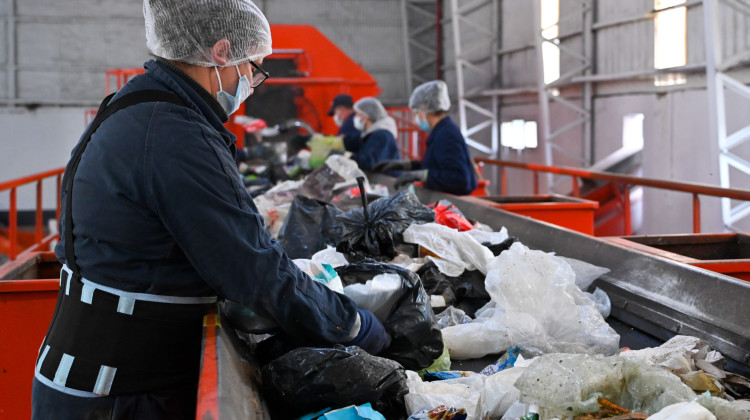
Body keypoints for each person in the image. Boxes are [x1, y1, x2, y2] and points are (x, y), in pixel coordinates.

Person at [31, 1, 389, 419]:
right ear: (222, 53)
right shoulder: (175, 134)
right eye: (255, 68)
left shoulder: (135, 106)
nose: (253, 84)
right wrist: (357, 326)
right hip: (117, 393)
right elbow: (254, 271)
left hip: (94, 374)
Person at [374, 80, 478, 195]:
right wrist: (406, 165)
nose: (416, 118)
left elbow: (459, 179)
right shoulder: (441, 131)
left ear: (424, 109)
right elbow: (436, 166)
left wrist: (422, 175)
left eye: (416, 113)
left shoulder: (447, 134)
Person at [351, 97, 401, 173]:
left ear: (365, 116)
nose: (355, 117)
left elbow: (371, 163)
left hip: (386, 181)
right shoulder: (373, 134)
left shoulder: (381, 135)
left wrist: (348, 156)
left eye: (357, 114)